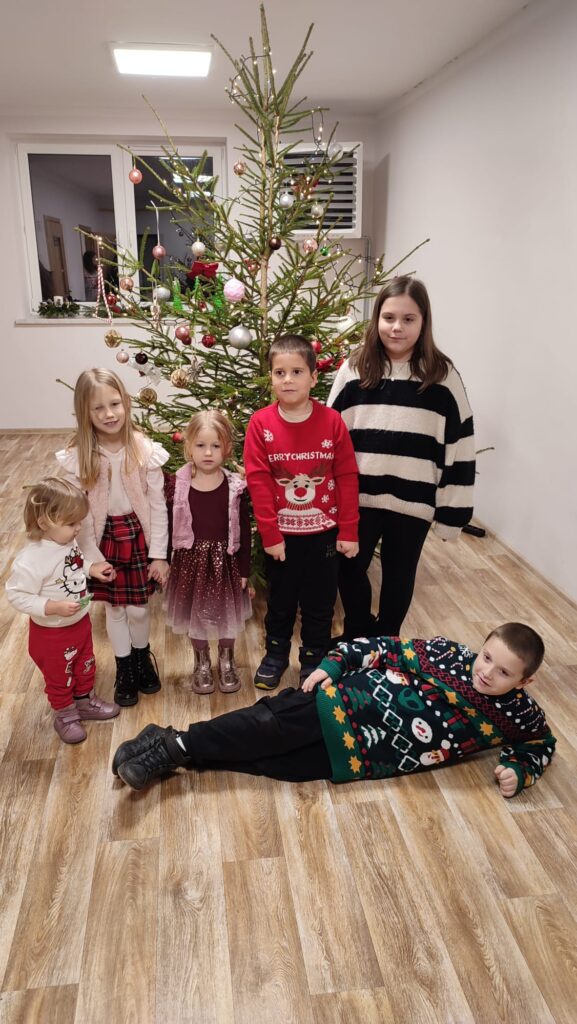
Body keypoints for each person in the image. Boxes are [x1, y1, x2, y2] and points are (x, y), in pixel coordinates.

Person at [111, 622, 555, 797]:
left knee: (275, 764)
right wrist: (334, 664)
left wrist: (521, 768)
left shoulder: (518, 716)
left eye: (503, 672)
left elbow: (541, 741)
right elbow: (383, 647)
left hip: (365, 755)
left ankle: (171, 744)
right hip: (343, 701)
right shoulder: (447, 654)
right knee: (264, 726)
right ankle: (172, 748)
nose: (486, 672)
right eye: (486, 657)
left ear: (525, 682)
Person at [327, 276, 476, 640]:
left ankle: (387, 639)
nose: (397, 327)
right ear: (377, 318)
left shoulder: (442, 376)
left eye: (408, 319)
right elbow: (329, 433)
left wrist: (452, 514)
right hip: (357, 496)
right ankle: (357, 633)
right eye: (389, 317)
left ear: (423, 322)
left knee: (399, 574)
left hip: (414, 499)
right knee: (348, 567)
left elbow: (460, 445)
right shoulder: (354, 368)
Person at [243, 334, 359, 690]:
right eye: (280, 372)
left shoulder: (332, 422)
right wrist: (270, 535)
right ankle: (275, 654)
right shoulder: (260, 424)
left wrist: (349, 530)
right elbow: (259, 481)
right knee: (280, 601)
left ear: (313, 377)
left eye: (297, 372)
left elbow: (346, 476)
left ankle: (313, 658)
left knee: (320, 603)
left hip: (324, 536)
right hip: (282, 539)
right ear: (271, 377)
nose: (288, 379)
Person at [56, 368, 169, 707]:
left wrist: (159, 554)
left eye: (115, 404)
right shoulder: (79, 458)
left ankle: (142, 658)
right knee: (115, 609)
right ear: (85, 413)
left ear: (126, 403)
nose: (109, 414)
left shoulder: (143, 450)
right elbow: (78, 516)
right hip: (102, 539)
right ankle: (125, 669)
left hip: (136, 536)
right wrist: (91, 561)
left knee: (138, 609)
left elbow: (158, 506)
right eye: (98, 408)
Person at [6, 478, 119, 744]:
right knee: (59, 676)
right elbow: (17, 595)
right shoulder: (31, 559)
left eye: (79, 522)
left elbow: (75, 564)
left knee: (85, 665)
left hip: (79, 623)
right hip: (51, 635)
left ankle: (84, 702)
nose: (78, 528)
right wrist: (52, 607)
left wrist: (91, 568)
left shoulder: (67, 542)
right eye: (71, 523)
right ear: (44, 522)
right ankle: (65, 715)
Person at [164, 410, 252, 694]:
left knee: (227, 616)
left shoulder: (235, 487)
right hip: (191, 562)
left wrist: (245, 570)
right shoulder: (178, 486)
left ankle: (227, 659)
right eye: (201, 445)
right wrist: (163, 561)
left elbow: (245, 531)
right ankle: (201, 661)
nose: (208, 452)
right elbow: (169, 525)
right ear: (188, 446)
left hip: (226, 562)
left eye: (216, 445)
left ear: (226, 448)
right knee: (196, 615)